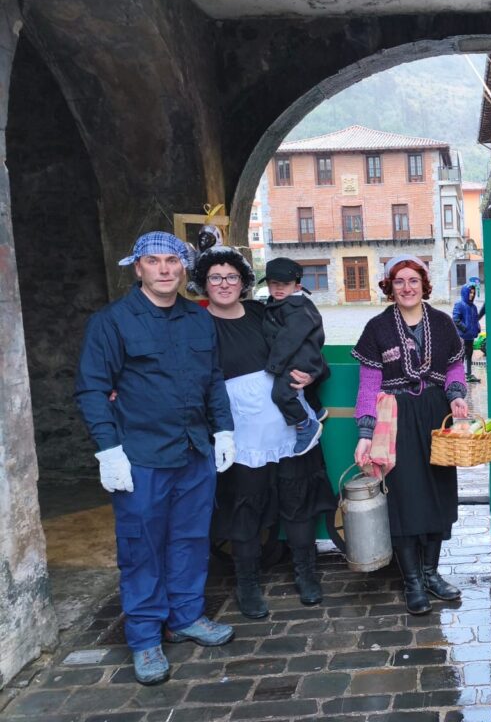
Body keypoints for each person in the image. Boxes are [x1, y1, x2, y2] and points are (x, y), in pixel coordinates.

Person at [75, 231, 236, 685]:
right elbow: (91, 388)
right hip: (141, 455)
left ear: (183, 268)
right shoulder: (113, 322)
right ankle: (145, 637)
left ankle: (185, 616)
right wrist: (108, 450)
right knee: (141, 547)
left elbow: (213, 379)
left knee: (190, 539)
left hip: (194, 450)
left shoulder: (198, 318)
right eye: (154, 261)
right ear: (138, 268)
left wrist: (223, 429)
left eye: (172, 261)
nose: (164, 269)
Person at [195, 247, 336, 619]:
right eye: (215, 277)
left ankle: (306, 574)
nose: (224, 284)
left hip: (289, 423)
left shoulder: (266, 311)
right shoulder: (196, 325)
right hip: (239, 429)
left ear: (243, 281)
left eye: (231, 276)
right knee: (245, 506)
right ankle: (247, 584)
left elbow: (309, 348)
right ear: (204, 284)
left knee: (297, 500)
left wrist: (312, 373)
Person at [351, 255, 469, 615]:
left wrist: (457, 395)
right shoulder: (377, 328)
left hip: (435, 415)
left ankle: (431, 574)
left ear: (424, 285)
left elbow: (455, 366)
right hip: (395, 420)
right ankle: (413, 582)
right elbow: (368, 384)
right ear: (390, 287)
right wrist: (365, 432)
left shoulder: (443, 323)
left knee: (437, 494)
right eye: (399, 281)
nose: (407, 288)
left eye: (413, 281)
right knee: (403, 498)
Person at [261, 257, 329, 455]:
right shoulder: (282, 303)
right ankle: (317, 409)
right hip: (302, 356)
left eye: (285, 284)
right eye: (274, 283)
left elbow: (288, 340)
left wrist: (274, 367)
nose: (279, 288)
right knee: (302, 389)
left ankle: (306, 425)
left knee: (281, 394)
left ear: (297, 286)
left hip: (298, 359)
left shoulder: (297, 309)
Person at [452, 282, 485, 383]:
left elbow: (475, 319)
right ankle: (459, 375)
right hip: (462, 337)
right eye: (470, 292)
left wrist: (477, 327)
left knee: (469, 355)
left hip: (470, 337)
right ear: (465, 292)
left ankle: (469, 374)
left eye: (473, 293)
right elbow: (456, 319)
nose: (472, 295)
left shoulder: (473, 307)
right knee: (461, 356)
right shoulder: (459, 304)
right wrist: (465, 329)